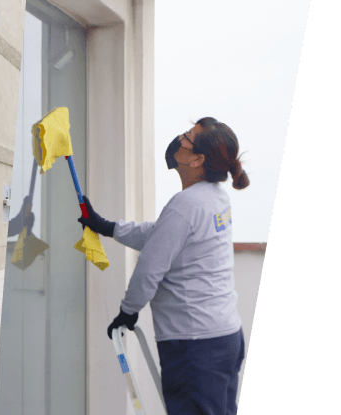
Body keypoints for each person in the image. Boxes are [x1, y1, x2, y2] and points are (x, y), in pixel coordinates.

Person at [79, 117, 249, 414]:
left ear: (197, 159)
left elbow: (150, 268)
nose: (179, 139)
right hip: (225, 338)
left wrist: (127, 311)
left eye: (188, 137)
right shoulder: (214, 198)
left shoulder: (186, 205)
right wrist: (107, 227)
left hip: (195, 347)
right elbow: (162, 234)